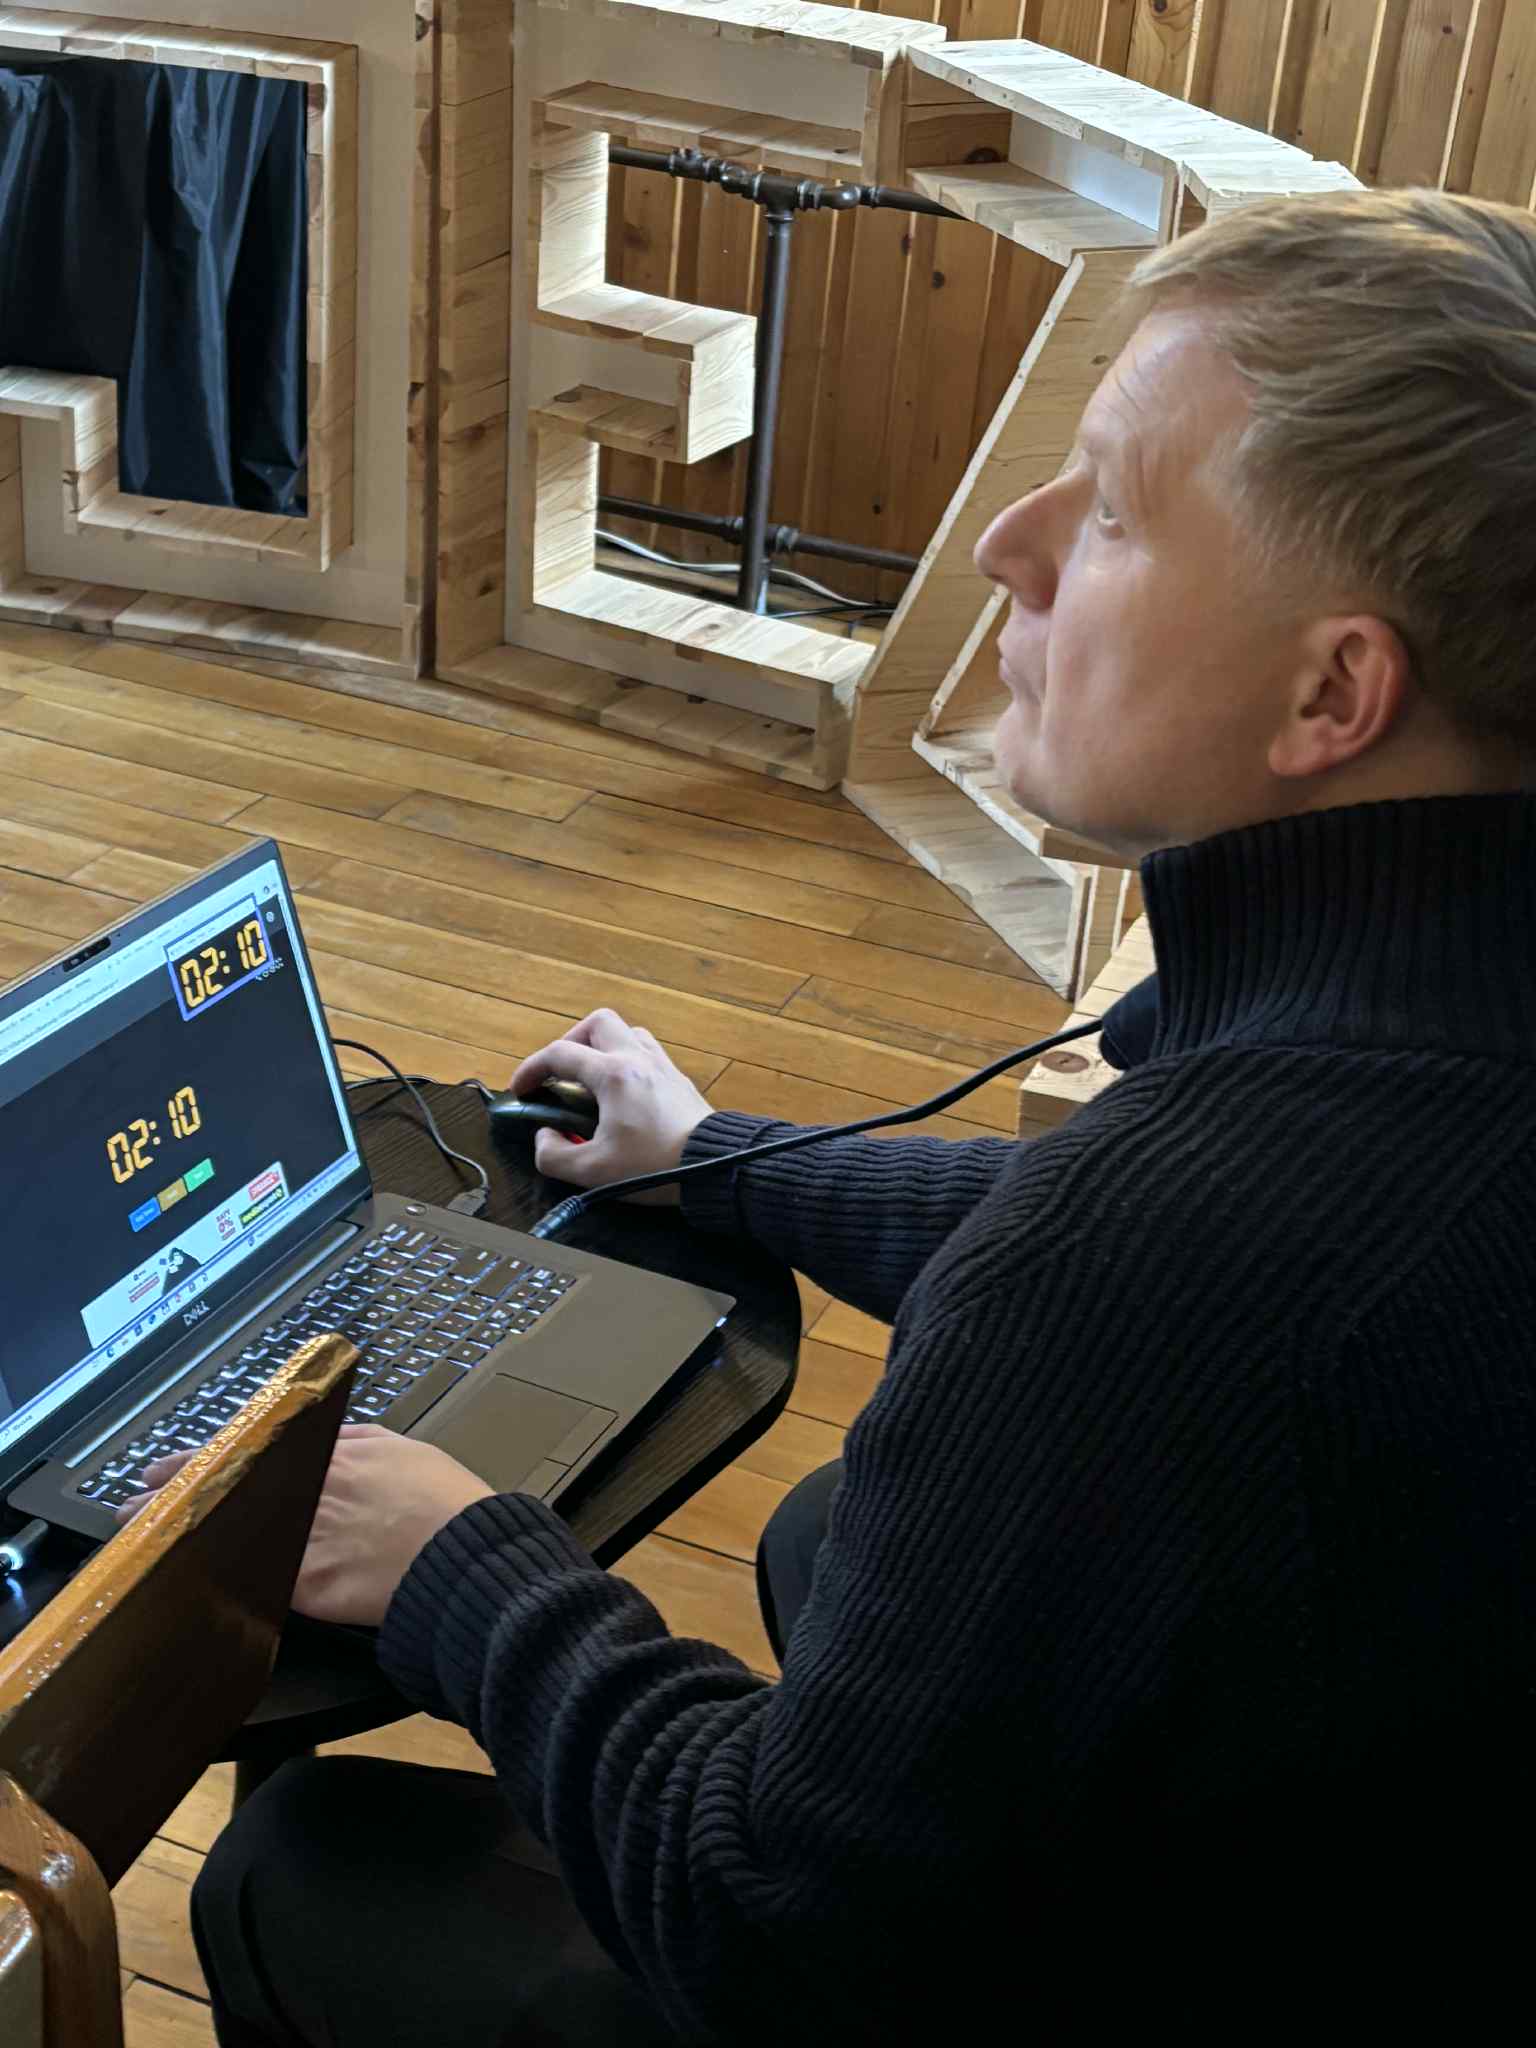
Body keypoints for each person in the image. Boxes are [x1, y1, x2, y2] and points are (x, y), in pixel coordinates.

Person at [167, 187, 1536, 2043]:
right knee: (824, 1534)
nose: (1009, 543)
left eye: (1114, 513)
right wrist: (718, 1160)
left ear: (1335, 691)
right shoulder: (1415, 1042)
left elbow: (768, 1928)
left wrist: (457, 1562)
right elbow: (1165, 1281)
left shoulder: (1158, 1252)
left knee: (302, 1861)